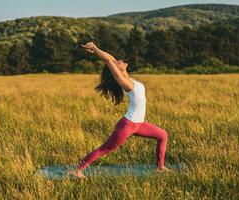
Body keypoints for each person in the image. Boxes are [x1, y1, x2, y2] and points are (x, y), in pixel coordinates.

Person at [67, 42, 172, 178]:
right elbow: (108, 60)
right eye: (118, 62)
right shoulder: (125, 82)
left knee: (163, 135)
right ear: (115, 69)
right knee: (104, 149)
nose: (121, 61)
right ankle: (77, 170)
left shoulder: (127, 77)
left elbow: (111, 59)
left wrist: (101, 51)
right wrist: (94, 48)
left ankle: (160, 167)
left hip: (139, 124)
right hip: (128, 125)